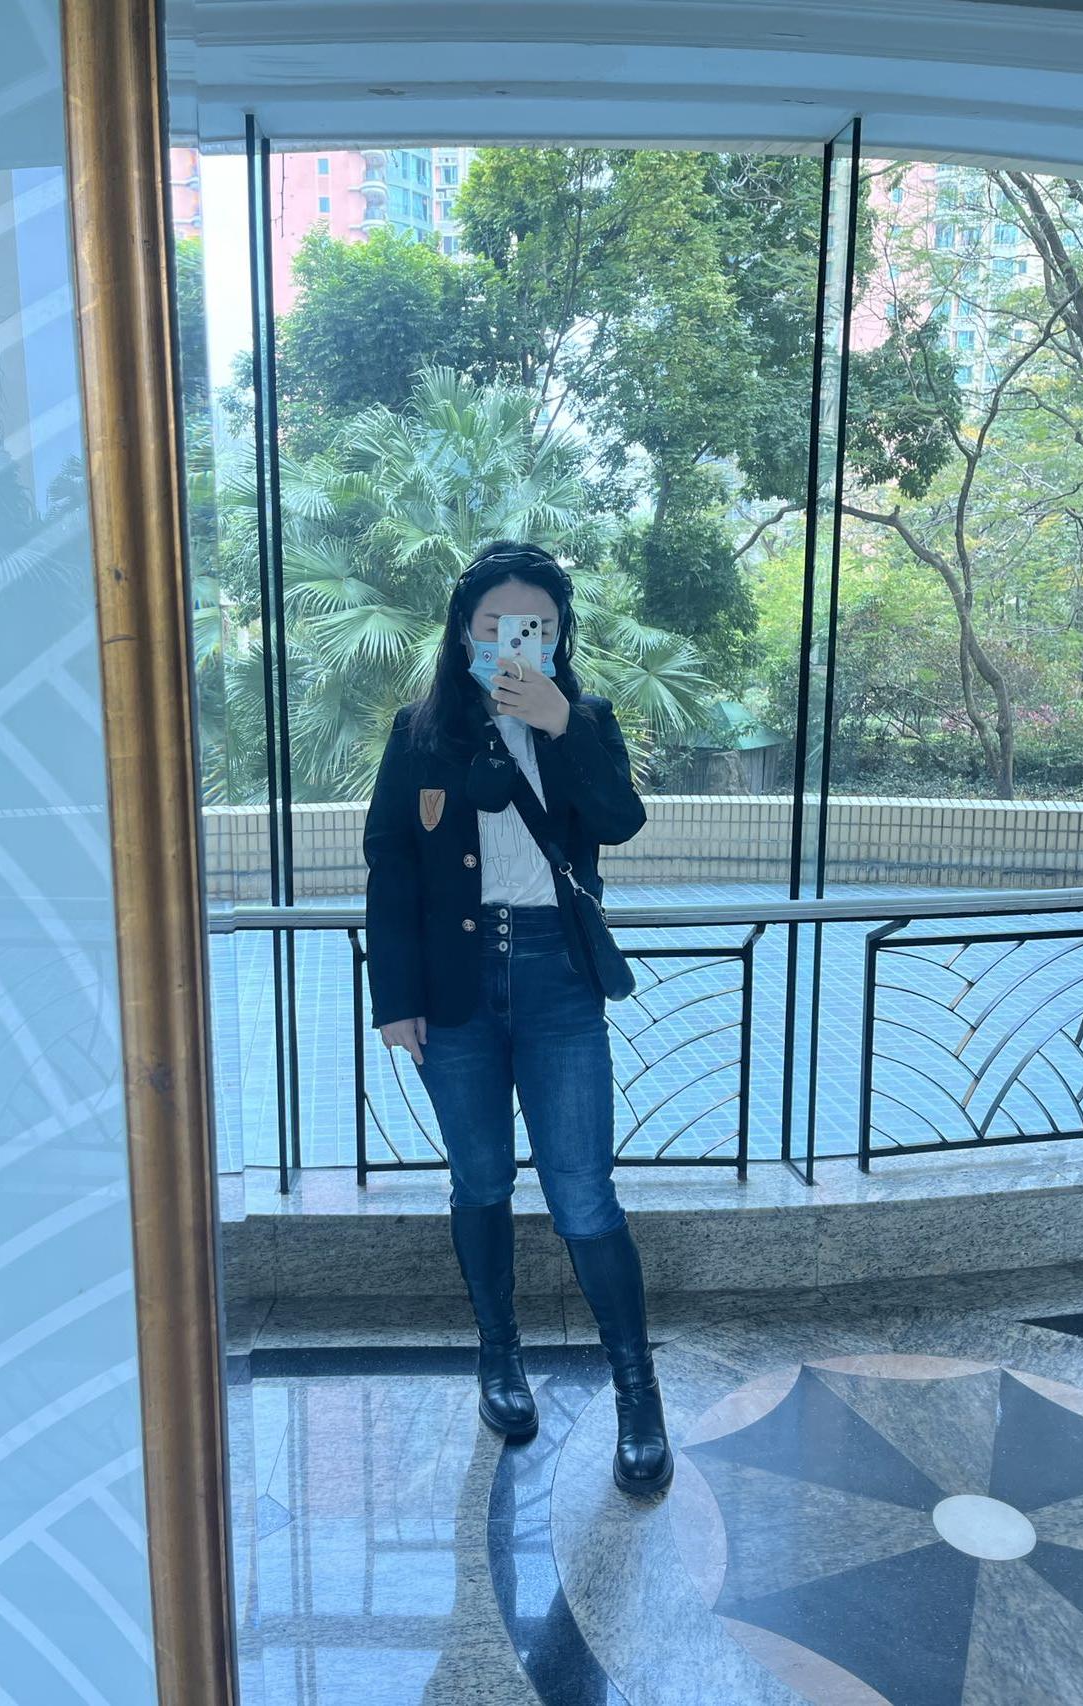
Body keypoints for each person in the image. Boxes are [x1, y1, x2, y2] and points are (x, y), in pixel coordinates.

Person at [362, 540, 673, 1496]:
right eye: (491, 623)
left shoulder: (587, 719)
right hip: (453, 988)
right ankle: (499, 1358)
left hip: (556, 979)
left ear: (557, 633)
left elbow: (619, 821)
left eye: (529, 624)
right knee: (481, 1179)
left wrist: (560, 724)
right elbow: (390, 864)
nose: (508, 639)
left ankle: (638, 1395)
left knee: (583, 1193)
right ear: (463, 631)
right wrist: (395, 1000)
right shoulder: (420, 731)